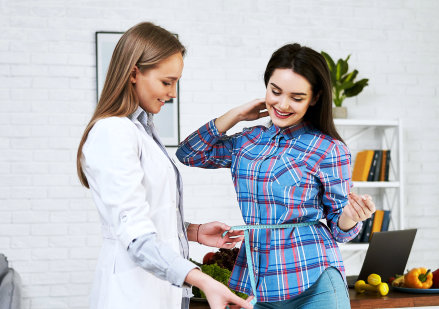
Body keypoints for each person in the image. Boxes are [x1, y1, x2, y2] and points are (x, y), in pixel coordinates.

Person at [176, 43, 376, 308]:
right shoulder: (247, 142)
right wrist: (235, 115)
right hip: (257, 282)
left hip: (315, 280)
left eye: (296, 97)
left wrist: (351, 217)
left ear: (314, 98)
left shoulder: (329, 149)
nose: (282, 104)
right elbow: (189, 153)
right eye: (275, 91)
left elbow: (340, 231)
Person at [76, 22, 253, 309]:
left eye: (175, 83)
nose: (173, 93)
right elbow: (134, 234)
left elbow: (147, 213)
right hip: (132, 294)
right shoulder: (113, 132)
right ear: (134, 73)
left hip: (161, 292)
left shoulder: (141, 130)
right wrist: (204, 280)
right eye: (166, 82)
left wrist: (192, 231)